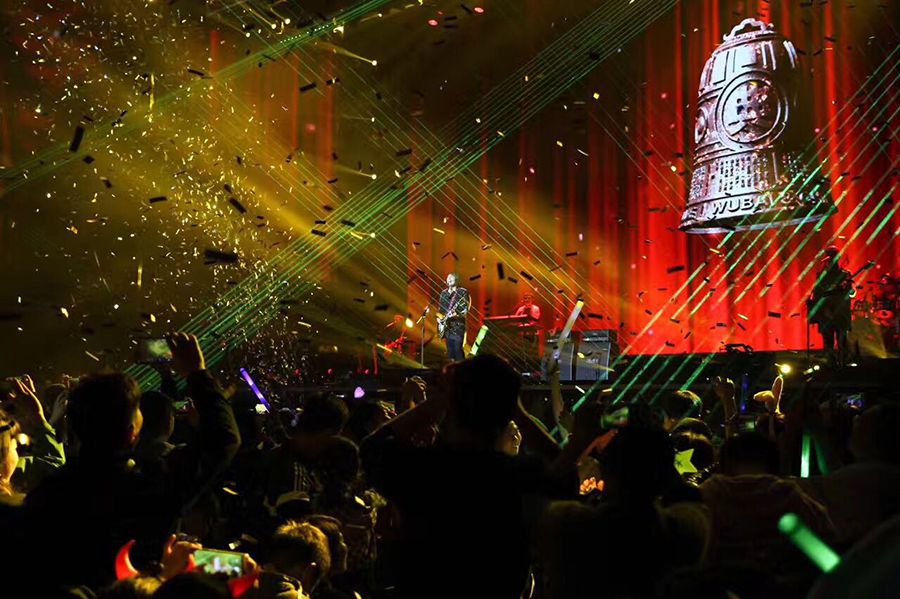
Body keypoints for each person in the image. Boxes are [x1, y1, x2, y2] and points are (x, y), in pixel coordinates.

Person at [21, 333, 241, 592]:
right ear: (131, 433)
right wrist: (197, 373)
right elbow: (224, 439)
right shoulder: (154, 483)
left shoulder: (47, 492)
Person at [360, 354, 582, 599]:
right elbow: (566, 477)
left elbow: (372, 448)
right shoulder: (519, 476)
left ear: (453, 406)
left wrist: (437, 402)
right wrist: (517, 411)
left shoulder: (423, 469)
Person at [809, 246, 853, 365]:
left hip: (841, 312)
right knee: (828, 341)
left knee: (842, 340)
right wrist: (824, 309)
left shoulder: (845, 274)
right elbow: (818, 294)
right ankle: (831, 364)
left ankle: (843, 364)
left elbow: (850, 293)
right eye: (830, 254)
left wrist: (849, 290)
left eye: (833, 254)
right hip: (827, 313)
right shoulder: (821, 275)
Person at [437, 272, 470, 362]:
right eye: (448, 277)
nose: (449, 279)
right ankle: (452, 369)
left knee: (458, 350)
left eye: (452, 277)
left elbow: (465, 308)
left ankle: (463, 368)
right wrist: (439, 319)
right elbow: (440, 310)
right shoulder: (443, 293)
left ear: (457, 280)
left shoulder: (462, 291)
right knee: (450, 353)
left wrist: (456, 313)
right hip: (447, 327)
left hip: (458, 326)